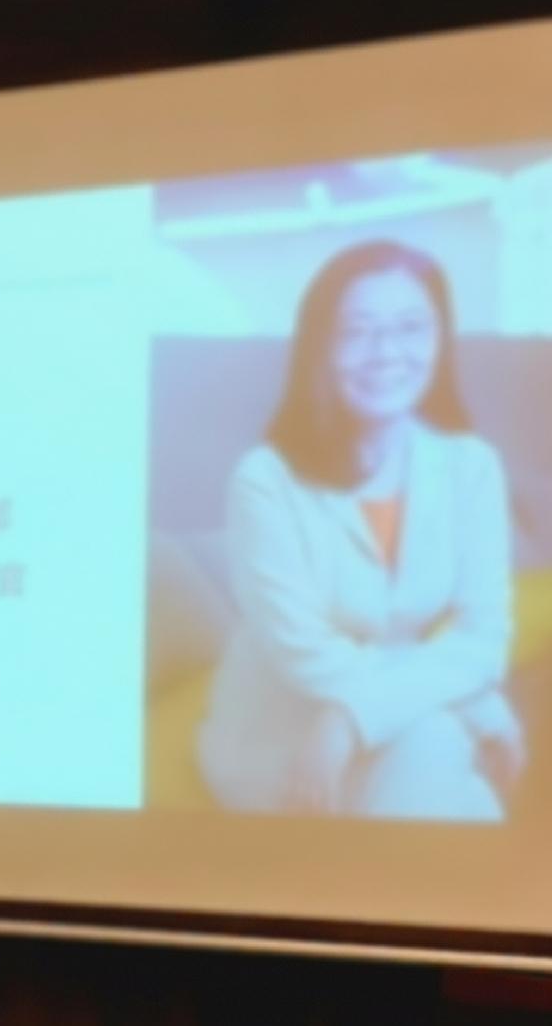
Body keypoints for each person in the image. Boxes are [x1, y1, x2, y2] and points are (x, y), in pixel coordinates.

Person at [197, 239, 523, 820]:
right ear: (320, 346)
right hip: (282, 730)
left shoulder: (471, 465)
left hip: (380, 719)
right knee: (440, 758)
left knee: (437, 760)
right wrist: (478, 704)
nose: (387, 352)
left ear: (440, 338)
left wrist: (349, 718)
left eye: (411, 328)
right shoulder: (264, 479)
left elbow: (483, 637)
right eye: (357, 331)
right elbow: (304, 654)